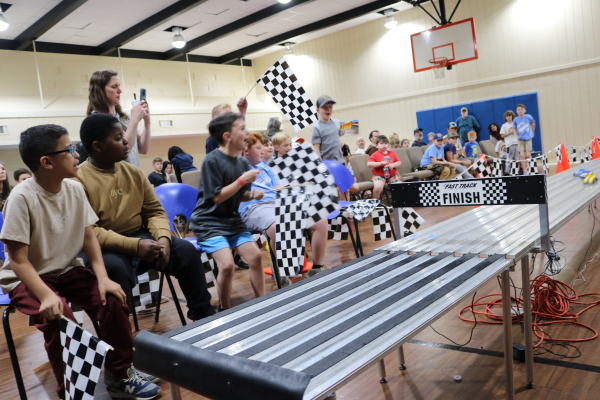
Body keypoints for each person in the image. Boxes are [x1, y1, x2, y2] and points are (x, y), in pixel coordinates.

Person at [1, 124, 161, 399]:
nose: (77, 154)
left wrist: (103, 278)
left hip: (68, 270)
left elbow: (89, 238)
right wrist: (45, 295)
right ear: (47, 162)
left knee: (112, 299)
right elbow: (17, 260)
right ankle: (71, 391)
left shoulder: (74, 189)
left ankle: (121, 375)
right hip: (28, 278)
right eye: (70, 149)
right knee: (59, 318)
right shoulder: (21, 197)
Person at [74, 113, 215, 322]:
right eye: (118, 138)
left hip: (140, 235)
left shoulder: (133, 172)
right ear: (97, 146)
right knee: (114, 269)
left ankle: (203, 317)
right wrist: (135, 246)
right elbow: (90, 232)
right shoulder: (77, 180)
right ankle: (122, 333)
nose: (126, 141)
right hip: (102, 246)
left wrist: (163, 238)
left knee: (186, 252)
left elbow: (154, 211)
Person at [191, 113, 265, 311]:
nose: (247, 132)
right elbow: (217, 197)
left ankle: (263, 303)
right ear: (227, 136)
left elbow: (239, 195)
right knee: (227, 265)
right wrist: (242, 180)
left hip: (231, 219)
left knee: (256, 257)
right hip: (208, 221)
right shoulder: (211, 160)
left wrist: (252, 194)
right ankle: (225, 309)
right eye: (242, 128)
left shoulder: (242, 163)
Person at [240, 132, 328, 279]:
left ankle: (317, 268)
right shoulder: (235, 166)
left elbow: (278, 186)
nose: (262, 151)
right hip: (253, 207)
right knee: (278, 227)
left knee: (320, 220)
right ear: (245, 150)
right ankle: (280, 270)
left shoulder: (265, 166)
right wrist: (252, 194)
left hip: (277, 203)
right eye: (259, 148)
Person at [87, 70, 150, 167]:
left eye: (119, 86)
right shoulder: (97, 120)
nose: (120, 91)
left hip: (133, 173)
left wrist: (147, 122)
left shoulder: (124, 116)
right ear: (100, 90)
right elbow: (120, 152)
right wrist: (134, 120)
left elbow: (143, 149)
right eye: (114, 87)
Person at [311, 95, 344, 163]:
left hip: (340, 162)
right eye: (325, 107)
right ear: (318, 110)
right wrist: (320, 165)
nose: (328, 110)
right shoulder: (316, 127)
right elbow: (316, 149)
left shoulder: (337, 122)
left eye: (330, 107)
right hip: (328, 164)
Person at [513, 104, 536, 175]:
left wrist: (532, 132)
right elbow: (514, 128)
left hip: (528, 138)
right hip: (520, 139)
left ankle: (532, 168)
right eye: (518, 109)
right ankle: (525, 170)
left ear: (525, 110)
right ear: (516, 111)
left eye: (521, 109)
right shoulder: (516, 119)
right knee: (522, 155)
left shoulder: (528, 117)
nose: (520, 111)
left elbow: (533, 124)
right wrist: (516, 135)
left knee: (528, 155)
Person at [501, 110, 519, 174]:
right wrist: (510, 132)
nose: (508, 117)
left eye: (509, 116)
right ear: (505, 117)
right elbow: (502, 135)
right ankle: (507, 171)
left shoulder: (515, 124)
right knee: (509, 158)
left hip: (517, 143)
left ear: (512, 116)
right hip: (510, 144)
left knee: (517, 158)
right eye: (507, 116)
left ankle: (515, 170)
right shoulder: (504, 125)